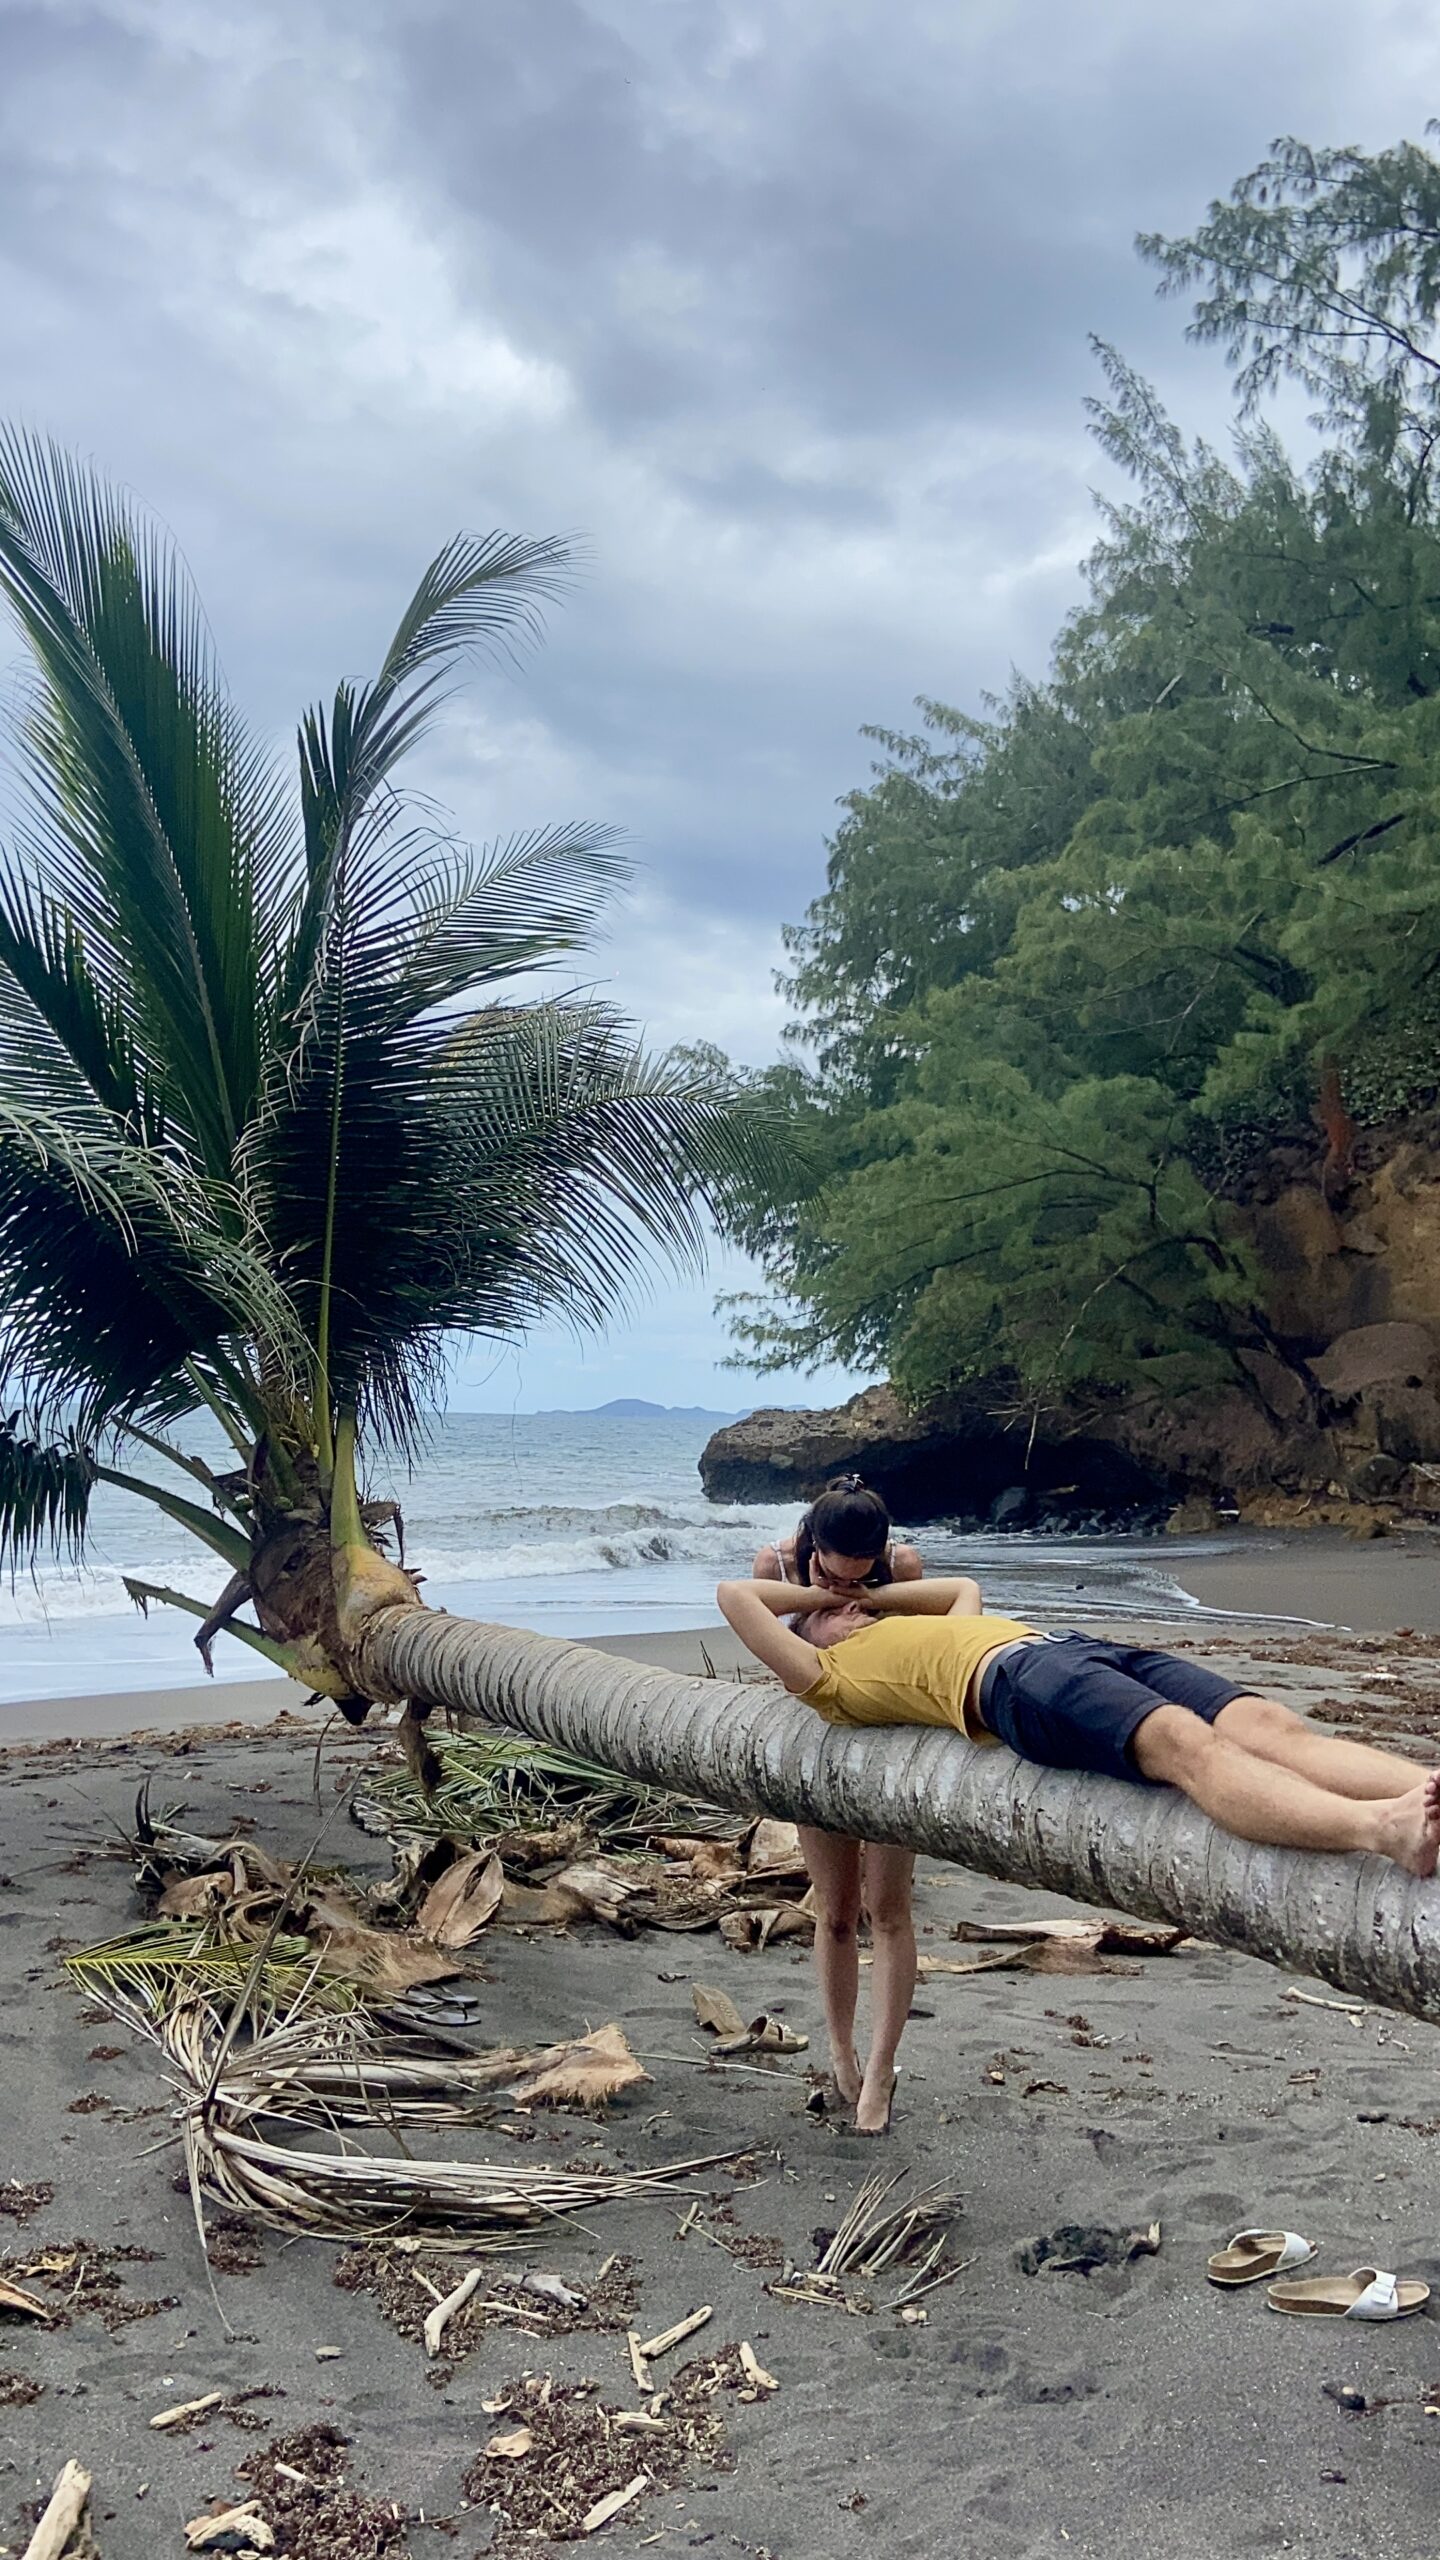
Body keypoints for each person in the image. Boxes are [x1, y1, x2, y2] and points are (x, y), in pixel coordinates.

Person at [715, 1575, 1440, 1895]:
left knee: (1274, 1727)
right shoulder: (827, 1675)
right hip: (1019, 1683)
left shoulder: (923, 1621)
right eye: (837, 1615)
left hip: (1073, 1644)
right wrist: (819, 1604)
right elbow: (736, 1597)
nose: (855, 1615)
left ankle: (1422, 1792)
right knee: (1187, 1747)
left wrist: (863, 1594)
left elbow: (957, 1586)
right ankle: (1381, 1829)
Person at [750, 1478, 925, 2137]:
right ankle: (840, 2050)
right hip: (815, 1752)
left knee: (890, 1912)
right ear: (812, 1547)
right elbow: (766, 1641)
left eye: (863, 1572)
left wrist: (875, 1599)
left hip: (889, 1753)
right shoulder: (779, 1565)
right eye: (836, 1570)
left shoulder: (902, 1566)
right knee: (837, 1914)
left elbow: (927, 1651)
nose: (850, 1583)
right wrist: (817, 1596)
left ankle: (880, 2072)